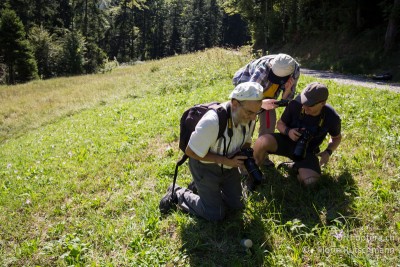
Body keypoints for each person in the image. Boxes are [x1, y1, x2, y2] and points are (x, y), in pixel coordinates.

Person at [159, 82, 272, 221]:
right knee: (215, 214)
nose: (254, 118)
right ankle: (178, 193)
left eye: (257, 112)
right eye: (250, 112)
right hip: (204, 166)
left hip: (229, 166)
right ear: (235, 103)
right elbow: (190, 152)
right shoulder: (212, 121)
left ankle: (203, 188)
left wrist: (244, 156)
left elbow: (247, 140)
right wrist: (225, 160)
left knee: (237, 206)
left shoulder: (249, 117)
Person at [252, 82, 342, 187]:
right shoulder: (295, 104)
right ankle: (252, 171)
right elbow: (280, 124)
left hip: (307, 151)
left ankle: (295, 167)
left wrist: (328, 152)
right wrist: (288, 132)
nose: (304, 106)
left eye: (310, 104)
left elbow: (336, 138)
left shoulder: (331, 117)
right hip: (286, 142)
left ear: (322, 103)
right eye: (304, 102)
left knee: (311, 182)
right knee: (263, 140)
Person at [232, 53, 301, 137]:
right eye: (274, 76)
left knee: (268, 125)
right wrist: (261, 104)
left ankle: (263, 146)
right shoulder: (262, 70)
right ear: (271, 66)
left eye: (278, 79)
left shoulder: (294, 70)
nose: (275, 80)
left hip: (268, 94)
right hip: (246, 84)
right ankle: (241, 142)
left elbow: (286, 101)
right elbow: (249, 97)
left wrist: (287, 90)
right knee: (245, 120)